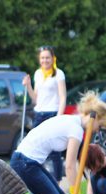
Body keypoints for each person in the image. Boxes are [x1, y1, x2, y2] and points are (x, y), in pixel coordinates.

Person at [23, 45, 67, 181]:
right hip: (39, 113)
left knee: (54, 151)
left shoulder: (58, 74)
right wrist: (28, 85)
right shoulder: (38, 73)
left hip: (52, 113)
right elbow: (35, 99)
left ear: (53, 58)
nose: (45, 60)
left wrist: (59, 117)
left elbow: (63, 97)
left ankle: (57, 181)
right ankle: (39, 180)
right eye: (42, 58)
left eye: (47, 57)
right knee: (35, 146)